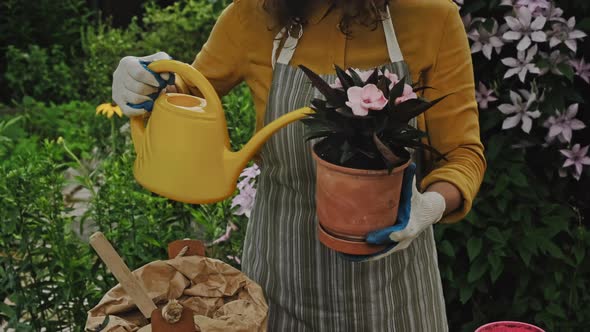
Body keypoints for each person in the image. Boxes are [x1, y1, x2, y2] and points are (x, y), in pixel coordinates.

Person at [112, 0, 486, 330]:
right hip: (282, 277)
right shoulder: (254, 14)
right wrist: (147, 84)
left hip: (395, 287)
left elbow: (462, 154)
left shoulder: (430, 16)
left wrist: (428, 207)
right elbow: (188, 94)